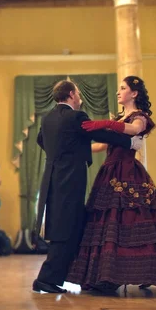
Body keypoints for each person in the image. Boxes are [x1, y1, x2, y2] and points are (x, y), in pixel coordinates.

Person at [66, 76, 156, 292]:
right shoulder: (120, 117)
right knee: (106, 222)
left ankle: (131, 273)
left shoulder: (139, 117)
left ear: (134, 93)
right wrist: (74, 149)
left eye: (123, 88)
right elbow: (101, 145)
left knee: (128, 220)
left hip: (128, 172)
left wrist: (108, 124)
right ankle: (104, 276)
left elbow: (135, 129)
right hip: (109, 171)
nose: (118, 92)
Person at [32, 80, 143, 294]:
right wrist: (129, 143)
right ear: (72, 94)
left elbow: (41, 140)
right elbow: (99, 134)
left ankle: (62, 277)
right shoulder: (76, 116)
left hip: (52, 177)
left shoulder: (48, 118)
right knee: (67, 228)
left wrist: (59, 154)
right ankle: (45, 279)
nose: (80, 97)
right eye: (79, 93)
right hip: (69, 178)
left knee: (68, 226)